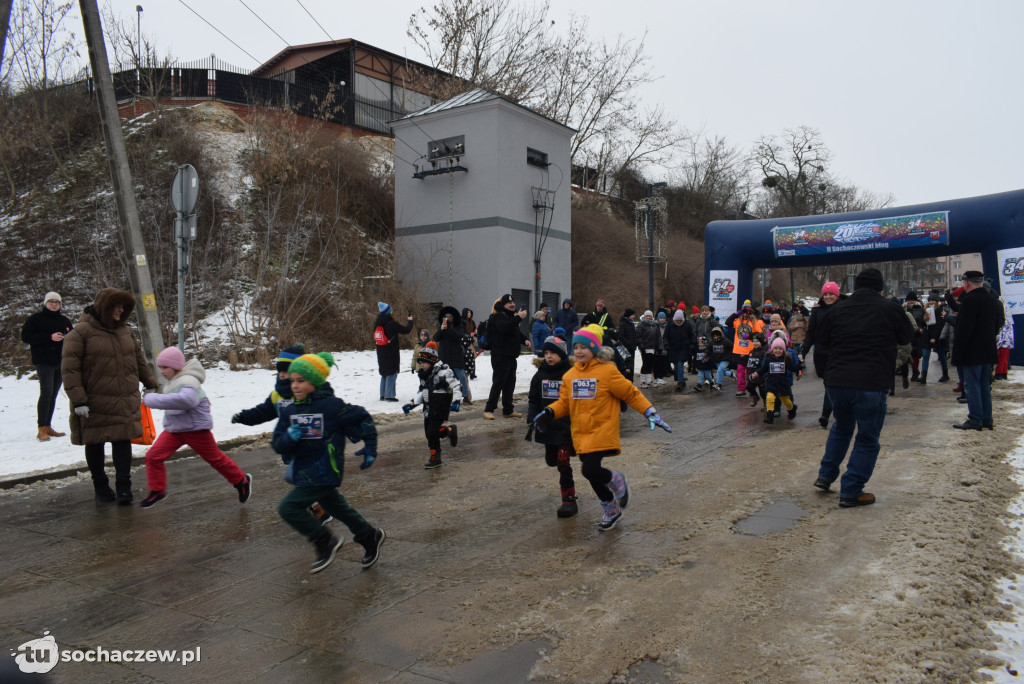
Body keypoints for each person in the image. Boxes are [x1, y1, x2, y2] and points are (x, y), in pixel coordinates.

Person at [532, 324, 671, 531]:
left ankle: (616, 480)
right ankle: (611, 509)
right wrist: (550, 412)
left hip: (602, 429)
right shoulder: (570, 376)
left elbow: (630, 393)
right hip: (581, 433)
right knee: (591, 473)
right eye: (576, 347)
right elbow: (564, 402)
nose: (579, 351)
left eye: (584, 347)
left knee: (590, 468)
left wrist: (650, 412)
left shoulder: (607, 371)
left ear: (595, 349)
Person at [272, 352, 385, 574]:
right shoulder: (291, 410)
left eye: (301, 381)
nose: (294, 386)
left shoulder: (331, 407)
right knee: (337, 507)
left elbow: (361, 416)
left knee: (288, 507)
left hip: (325, 469)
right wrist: (288, 439)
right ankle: (369, 535)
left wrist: (370, 446)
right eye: (293, 380)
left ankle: (324, 541)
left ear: (314, 381)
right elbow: (277, 443)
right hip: (303, 470)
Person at [813, 268, 914, 508]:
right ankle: (851, 490)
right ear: (880, 288)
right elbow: (906, 336)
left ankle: (825, 476)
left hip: (837, 380)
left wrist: (825, 374)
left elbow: (822, 342)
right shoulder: (890, 309)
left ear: (855, 287)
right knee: (867, 437)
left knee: (841, 427)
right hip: (871, 380)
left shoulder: (836, 310)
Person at [62, 288, 159, 503]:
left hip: (124, 398)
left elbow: (138, 359)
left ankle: (124, 488)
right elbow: (70, 370)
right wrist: (79, 400)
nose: (121, 310)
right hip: (94, 402)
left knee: (122, 440)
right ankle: (101, 486)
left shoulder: (125, 331)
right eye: (117, 306)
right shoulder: (80, 333)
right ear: (104, 307)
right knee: (95, 442)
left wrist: (150, 383)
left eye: (123, 307)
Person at [231, 344, 335, 526]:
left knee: (298, 479)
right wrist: (244, 417)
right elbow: (262, 412)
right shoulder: (277, 396)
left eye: (287, 371)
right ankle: (322, 507)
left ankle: (320, 512)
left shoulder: (308, 393)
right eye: (280, 371)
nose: (282, 375)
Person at [139, 347, 252, 508]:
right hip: (175, 429)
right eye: (160, 368)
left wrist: (154, 400)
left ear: (176, 366)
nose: (162, 371)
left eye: (165, 367)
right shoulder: (173, 382)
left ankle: (241, 481)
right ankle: (157, 490)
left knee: (215, 459)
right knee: (153, 456)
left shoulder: (188, 381)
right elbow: (174, 402)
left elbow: (187, 401)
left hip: (195, 429)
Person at [526, 335, 578, 517]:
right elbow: (533, 399)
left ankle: (569, 500)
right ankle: (563, 453)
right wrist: (532, 417)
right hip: (547, 426)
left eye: (553, 353)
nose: (549, 356)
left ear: (562, 355)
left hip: (565, 426)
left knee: (563, 462)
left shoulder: (570, 374)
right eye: (546, 352)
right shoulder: (539, 375)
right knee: (551, 460)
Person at [951, 271, 1004, 430]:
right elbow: (997, 325)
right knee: (984, 386)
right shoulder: (992, 300)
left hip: (972, 351)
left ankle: (975, 419)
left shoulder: (970, 301)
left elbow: (963, 330)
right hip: (988, 350)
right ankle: (987, 419)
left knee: (972, 386)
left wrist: (957, 354)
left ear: (966, 283)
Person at [21, 291, 73, 442]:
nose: (54, 304)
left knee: (53, 394)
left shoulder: (64, 320)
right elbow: (26, 337)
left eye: (57, 302)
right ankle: (41, 428)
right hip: (44, 361)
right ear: (46, 303)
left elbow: (72, 336)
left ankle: (48, 425)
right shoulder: (35, 319)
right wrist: (49, 337)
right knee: (46, 393)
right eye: (51, 302)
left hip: (60, 361)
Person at [403, 341, 462, 468]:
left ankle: (435, 457)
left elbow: (456, 385)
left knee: (431, 431)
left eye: (423, 362)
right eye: (420, 363)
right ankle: (449, 431)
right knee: (429, 433)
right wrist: (412, 404)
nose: (421, 365)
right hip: (429, 407)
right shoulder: (425, 375)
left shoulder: (444, 372)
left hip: (441, 406)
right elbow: (422, 392)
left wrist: (457, 401)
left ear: (431, 361)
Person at [802, 282, 846, 429]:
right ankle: (833, 410)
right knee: (829, 383)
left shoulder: (844, 308)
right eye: (825, 294)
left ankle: (826, 414)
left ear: (837, 294)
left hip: (838, 352)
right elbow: (811, 333)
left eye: (831, 294)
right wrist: (803, 351)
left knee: (830, 383)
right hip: (821, 353)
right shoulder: (817, 311)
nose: (828, 297)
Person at [483, 294, 531, 420]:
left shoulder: (511, 318)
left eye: (513, 302)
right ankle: (489, 409)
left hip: (510, 356)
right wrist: (518, 318)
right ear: (503, 305)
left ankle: (508, 410)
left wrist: (525, 340)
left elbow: (515, 332)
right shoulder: (499, 316)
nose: (512, 304)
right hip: (500, 356)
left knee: (510, 383)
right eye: (509, 303)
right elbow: (504, 328)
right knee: (498, 383)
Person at [749, 337, 799, 424]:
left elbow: (792, 368)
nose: (778, 351)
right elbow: (763, 369)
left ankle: (792, 408)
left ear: (783, 350)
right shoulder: (769, 358)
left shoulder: (786, 359)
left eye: (780, 349)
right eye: (775, 348)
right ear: (772, 349)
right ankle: (769, 416)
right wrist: (756, 373)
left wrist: (799, 369)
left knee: (786, 401)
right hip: (771, 383)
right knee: (769, 398)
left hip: (782, 383)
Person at [373, 302, 414, 402]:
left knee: (384, 373)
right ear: (387, 312)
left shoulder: (378, 323)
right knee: (392, 372)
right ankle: (389, 396)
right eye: (391, 310)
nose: (392, 311)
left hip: (381, 350)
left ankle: (383, 395)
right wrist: (410, 321)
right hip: (391, 351)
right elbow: (406, 330)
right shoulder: (391, 323)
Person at [433, 306, 471, 403]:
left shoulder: (459, 326)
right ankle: (446, 396)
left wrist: (449, 328)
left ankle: (466, 396)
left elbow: (458, 337)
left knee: (462, 377)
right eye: (446, 317)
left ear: (453, 318)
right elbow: (435, 338)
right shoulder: (441, 326)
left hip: (456, 357)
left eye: (450, 317)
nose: (448, 319)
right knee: (444, 378)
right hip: (444, 357)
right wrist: (441, 329)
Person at [724, 305, 764, 397]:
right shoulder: (738, 321)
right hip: (739, 350)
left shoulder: (755, 322)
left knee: (750, 371)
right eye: (743, 313)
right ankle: (741, 389)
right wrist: (735, 314)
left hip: (750, 351)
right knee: (740, 371)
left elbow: (759, 334)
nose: (745, 315)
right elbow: (728, 322)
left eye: (747, 313)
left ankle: (751, 388)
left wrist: (749, 336)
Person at [665, 309, 693, 392]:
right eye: (677, 320)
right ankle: (682, 380)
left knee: (680, 364)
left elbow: (691, 335)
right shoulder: (669, 326)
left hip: (684, 348)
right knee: (676, 365)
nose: (679, 321)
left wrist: (692, 344)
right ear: (674, 319)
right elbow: (665, 337)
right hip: (673, 348)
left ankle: (680, 381)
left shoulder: (687, 325)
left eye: (680, 320)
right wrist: (666, 344)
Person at [903, 292, 926, 382]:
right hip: (906, 335)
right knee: (908, 355)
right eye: (909, 300)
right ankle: (909, 372)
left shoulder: (921, 309)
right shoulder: (904, 309)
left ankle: (915, 372)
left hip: (917, 335)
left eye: (912, 300)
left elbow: (924, 323)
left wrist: (925, 321)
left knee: (915, 355)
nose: (910, 302)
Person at [635, 310, 662, 388]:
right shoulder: (641, 325)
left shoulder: (655, 325)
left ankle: (649, 380)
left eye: (650, 316)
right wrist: (641, 346)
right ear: (644, 316)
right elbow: (638, 337)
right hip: (645, 347)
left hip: (653, 347)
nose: (648, 317)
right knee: (645, 364)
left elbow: (658, 337)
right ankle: (643, 381)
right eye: (647, 316)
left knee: (651, 364)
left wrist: (659, 347)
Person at [744, 334, 768, 407]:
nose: (755, 343)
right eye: (754, 341)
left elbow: (765, 363)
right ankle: (755, 397)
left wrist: (757, 362)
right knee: (749, 387)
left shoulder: (765, 352)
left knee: (762, 391)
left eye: (757, 341)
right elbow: (749, 362)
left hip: (761, 374)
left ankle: (765, 403)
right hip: (752, 373)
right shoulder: (751, 351)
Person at [617, 308, 640, 381]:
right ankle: (626, 380)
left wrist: (635, 343)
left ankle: (630, 380)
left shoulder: (631, 324)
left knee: (631, 365)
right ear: (628, 315)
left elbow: (634, 335)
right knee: (627, 365)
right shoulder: (623, 324)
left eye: (634, 315)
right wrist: (629, 343)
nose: (634, 316)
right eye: (632, 315)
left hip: (632, 348)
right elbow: (621, 336)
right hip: (626, 349)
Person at [995, 301, 1015, 381]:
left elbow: (1001, 332)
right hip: (1008, 341)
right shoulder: (1008, 321)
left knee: (1001, 357)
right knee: (1005, 358)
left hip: (1004, 341)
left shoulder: (1003, 322)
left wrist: (998, 342)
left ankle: (999, 373)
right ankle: (1003, 373)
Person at [709, 326, 730, 391]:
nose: (716, 337)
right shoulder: (711, 342)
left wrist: (730, 355)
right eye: (714, 336)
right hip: (717, 360)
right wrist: (705, 354)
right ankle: (731, 373)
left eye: (717, 335)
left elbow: (732, 347)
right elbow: (708, 349)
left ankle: (718, 384)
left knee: (720, 370)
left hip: (725, 359)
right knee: (722, 372)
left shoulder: (725, 341)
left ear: (721, 334)